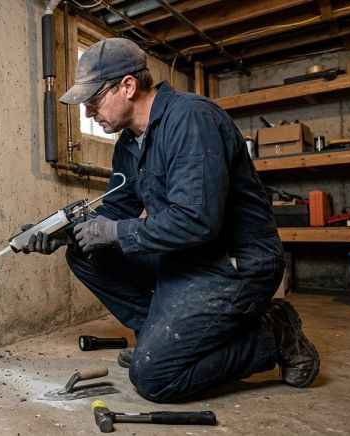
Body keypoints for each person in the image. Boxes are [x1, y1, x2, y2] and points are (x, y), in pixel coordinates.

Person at [20, 38, 319, 402]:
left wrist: (113, 231)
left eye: (93, 101)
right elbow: (117, 210)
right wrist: (65, 234)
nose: (88, 113)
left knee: (154, 378)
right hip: (186, 257)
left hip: (234, 265)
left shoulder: (192, 118)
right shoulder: (129, 144)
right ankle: (157, 335)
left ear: (127, 86)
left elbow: (197, 221)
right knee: (86, 253)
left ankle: (273, 335)